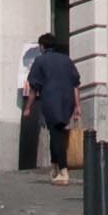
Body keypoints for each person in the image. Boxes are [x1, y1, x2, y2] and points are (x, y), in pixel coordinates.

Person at [18, 33, 79, 176]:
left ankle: (63, 169)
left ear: (42, 46)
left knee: (57, 135)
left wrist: (28, 108)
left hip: (52, 102)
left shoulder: (40, 61)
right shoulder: (67, 60)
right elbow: (75, 85)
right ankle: (55, 167)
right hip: (67, 101)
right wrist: (77, 106)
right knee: (56, 132)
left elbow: (34, 88)